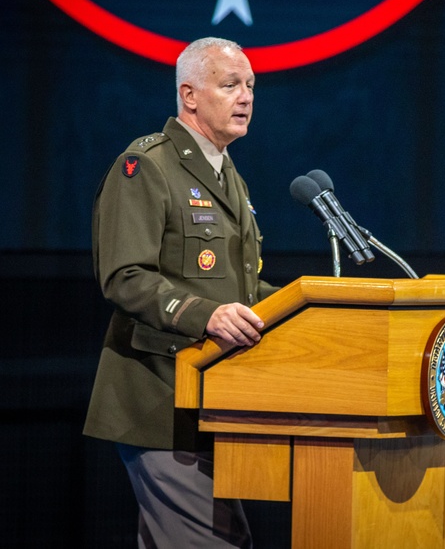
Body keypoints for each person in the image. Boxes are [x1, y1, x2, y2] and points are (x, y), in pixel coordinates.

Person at [83, 37, 277, 548]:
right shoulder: (146, 166)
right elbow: (124, 275)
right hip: (160, 400)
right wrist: (205, 316)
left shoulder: (226, 173)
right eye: (231, 84)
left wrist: (306, 305)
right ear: (190, 95)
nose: (246, 97)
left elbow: (239, 285)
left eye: (251, 86)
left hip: (214, 399)